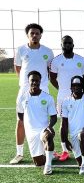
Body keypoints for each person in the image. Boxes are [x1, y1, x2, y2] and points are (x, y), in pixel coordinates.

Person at [11, 23, 54, 164]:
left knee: (45, 121)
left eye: (37, 33)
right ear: (27, 35)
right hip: (25, 90)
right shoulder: (21, 50)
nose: (34, 35)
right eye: (32, 33)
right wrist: (25, 84)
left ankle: (47, 150)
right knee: (21, 120)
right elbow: (18, 68)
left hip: (43, 90)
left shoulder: (48, 52)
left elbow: (49, 69)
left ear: (41, 35)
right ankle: (19, 153)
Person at [50, 35, 84, 161]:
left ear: (73, 44)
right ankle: (65, 150)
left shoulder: (81, 60)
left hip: (79, 96)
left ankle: (83, 145)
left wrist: (79, 90)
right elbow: (52, 78)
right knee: (63, 122)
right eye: (64, 43)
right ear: (61, 45)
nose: (67, 45)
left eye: (69, 43)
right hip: (63, 96)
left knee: (80, 120)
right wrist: (62, 89)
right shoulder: (56, 61)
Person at [16, 71, 57, 175]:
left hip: (43, 128)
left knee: (48, 136)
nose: (34, 82)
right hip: (31, 132)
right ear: (28, 81)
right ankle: (50, 154)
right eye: (32, 80)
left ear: (40, 81)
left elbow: (53, 116)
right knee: (38, 162)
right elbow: (20, 114)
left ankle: (48, 166)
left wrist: (50, 126)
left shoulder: (48, 98)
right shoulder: (22, 97)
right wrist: (27, 124)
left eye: (37, 80)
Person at [60, 76, 84, 175]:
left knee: (82, 135)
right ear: (71, 87)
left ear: (83, 86)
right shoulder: (66, 101)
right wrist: (65, 140)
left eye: (79, 85)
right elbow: (64, 123)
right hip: (73, 135)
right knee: (79, 161)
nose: (76, 87)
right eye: (74, 85)